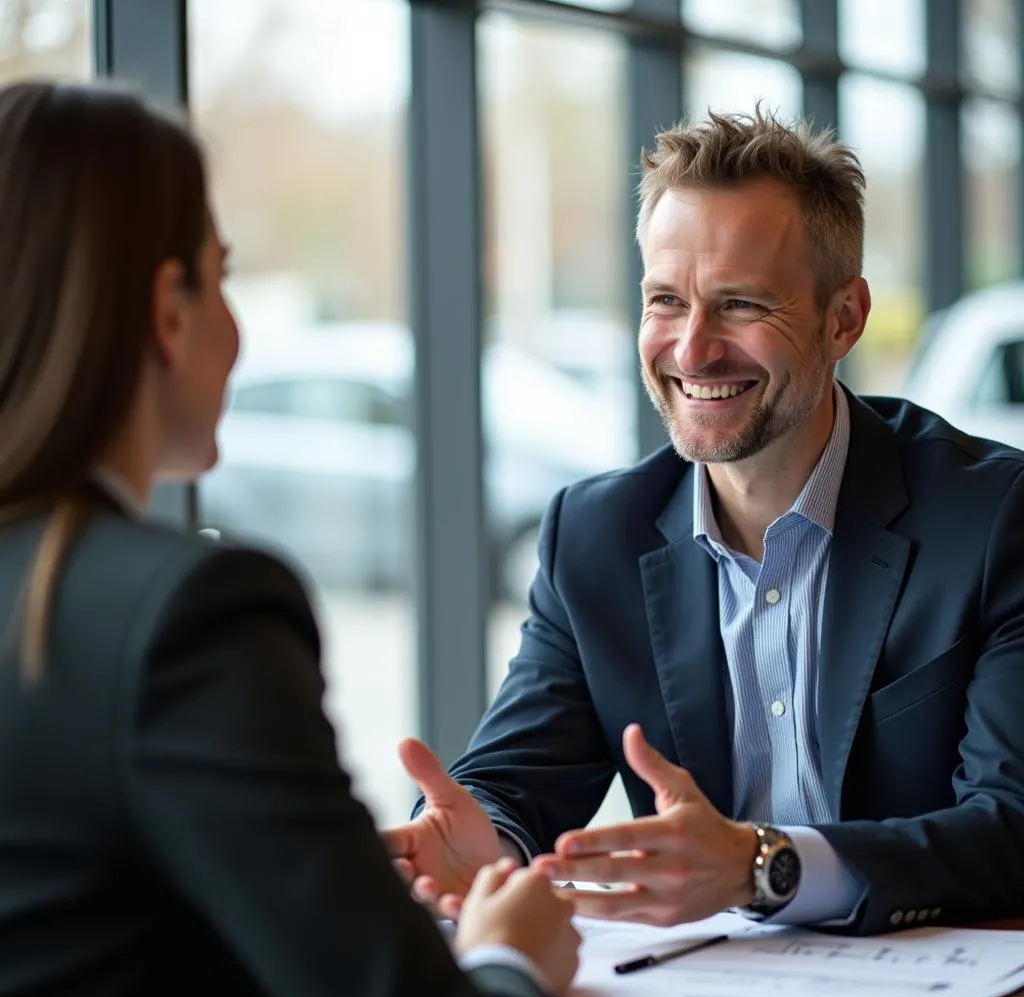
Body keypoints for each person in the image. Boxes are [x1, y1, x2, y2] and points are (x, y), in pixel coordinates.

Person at [0, 79, 578, 997]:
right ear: (167, 311)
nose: (238, 328)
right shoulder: (187, 615)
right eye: (219, 276)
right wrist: (514, 962)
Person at [385, 107, 1024, 937]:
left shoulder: (991, 518)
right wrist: (485, 844)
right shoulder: (594, 536)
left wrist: (764, 866)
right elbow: (515, 782)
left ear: (844, 318)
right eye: (665, 300)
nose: (691, 349)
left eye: (740, 305)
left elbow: (1010, 827)